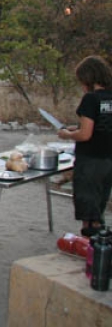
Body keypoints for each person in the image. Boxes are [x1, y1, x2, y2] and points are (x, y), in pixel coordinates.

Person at [57, 55, 112, 237]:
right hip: (107, 160)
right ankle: (99, 250)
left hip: (89, 162)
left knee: (88, 212)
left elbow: (85, 134)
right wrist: (78, 127)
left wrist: (67, 134)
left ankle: (90, 251)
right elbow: (101, 126)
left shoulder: (90, 99)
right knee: (98, 206)